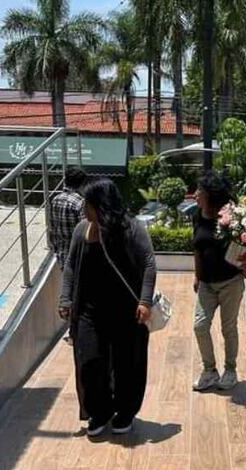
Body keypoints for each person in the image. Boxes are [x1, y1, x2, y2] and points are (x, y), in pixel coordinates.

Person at [59, 178, 156, 437]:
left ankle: (125, 411)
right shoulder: (82, 230)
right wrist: (65, 300)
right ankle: (99, 411)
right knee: (90, 363)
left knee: (128, 366)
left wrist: (145, 301)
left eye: (88, 204)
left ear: (101, 205)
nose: (83, 209)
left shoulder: (132, 229)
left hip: (127, 311)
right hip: (90, 312)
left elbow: (148, 263)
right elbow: (70, 266)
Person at [192, 170, 245, 392]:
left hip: (230, 281)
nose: (195, 195)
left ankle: (230, 370)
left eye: (200, 191)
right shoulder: (197, 215)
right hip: (206, 283)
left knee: (228, 327)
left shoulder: (230, 218)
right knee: (200, 326)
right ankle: (209, 370)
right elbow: (196, 246)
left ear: (210, 195)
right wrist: (196, 274)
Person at [48, 167, 87, 267]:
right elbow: (85, 233)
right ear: (81, 184)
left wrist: (55, 249)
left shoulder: (55, 200)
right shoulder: (80, 202)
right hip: (78, 256)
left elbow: (52, 228)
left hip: (62, 256)